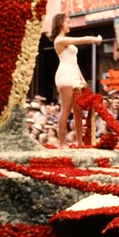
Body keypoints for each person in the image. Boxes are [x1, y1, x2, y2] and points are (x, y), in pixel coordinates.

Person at [48, 13, 102, 147]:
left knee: (78, 110)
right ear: (61, 23)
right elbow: (81, 40)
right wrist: (94, 38)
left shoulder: (64, 39)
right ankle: (62, 143)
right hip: (65, 75)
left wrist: (82, 79)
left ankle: (79, 142)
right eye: (68, 22)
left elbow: (75, 63)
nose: (69, 24)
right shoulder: (59, 40)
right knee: (66, 110)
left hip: (74, 74)